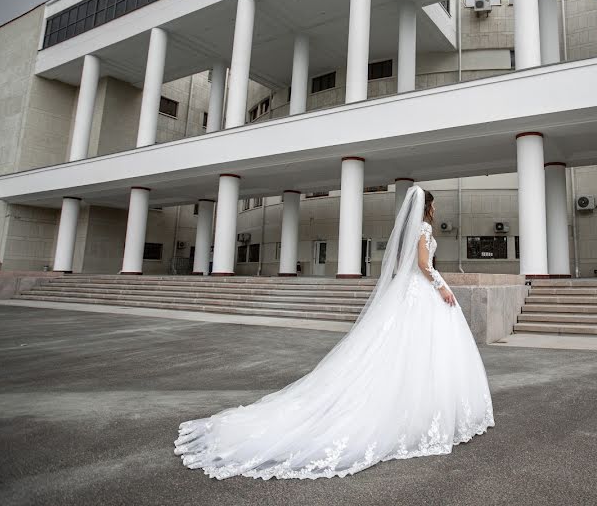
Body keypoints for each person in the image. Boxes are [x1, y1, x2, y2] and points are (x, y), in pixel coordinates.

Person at [174, 186, 494, 479]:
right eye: (434, 205)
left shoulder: (413, 231)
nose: (436, 211)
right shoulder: (423, 229)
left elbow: (408, 263)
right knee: (420, 351)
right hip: (421, 291)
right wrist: (442, 288)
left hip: (408, 291)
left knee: (403, 350)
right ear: (428, 207)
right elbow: (424, 265)